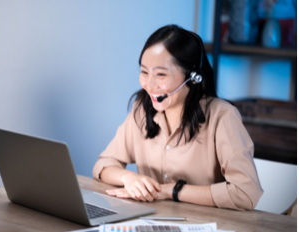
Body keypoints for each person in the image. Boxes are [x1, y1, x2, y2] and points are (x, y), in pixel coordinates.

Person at [92, 25, 263, 210]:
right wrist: (129, 178)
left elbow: (246, 193)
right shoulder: (142, 110)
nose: (149, 85)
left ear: (193, 77)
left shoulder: (222, 116)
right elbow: (103, 165)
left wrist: (171, 191)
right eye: (144, 72)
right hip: (152, 222)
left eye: (161, 74)